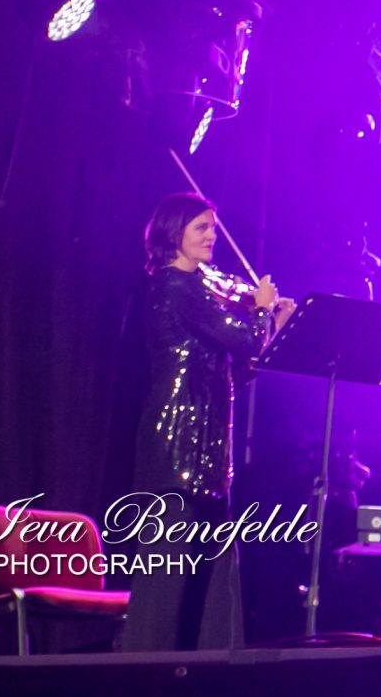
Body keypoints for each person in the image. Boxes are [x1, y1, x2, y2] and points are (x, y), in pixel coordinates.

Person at [125, 192, 295, 652]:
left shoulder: (196, 289)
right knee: (165, 574)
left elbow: (235, 366)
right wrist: (262, 309)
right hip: (175, 443)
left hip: (209, 446)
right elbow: (243, 338)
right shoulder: (174, 285)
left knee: (216, 574)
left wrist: (273, 327)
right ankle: (143, 672)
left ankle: (217, 666)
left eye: (213, 228)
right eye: (201, 227)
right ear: (173, 232)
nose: (211, 236)